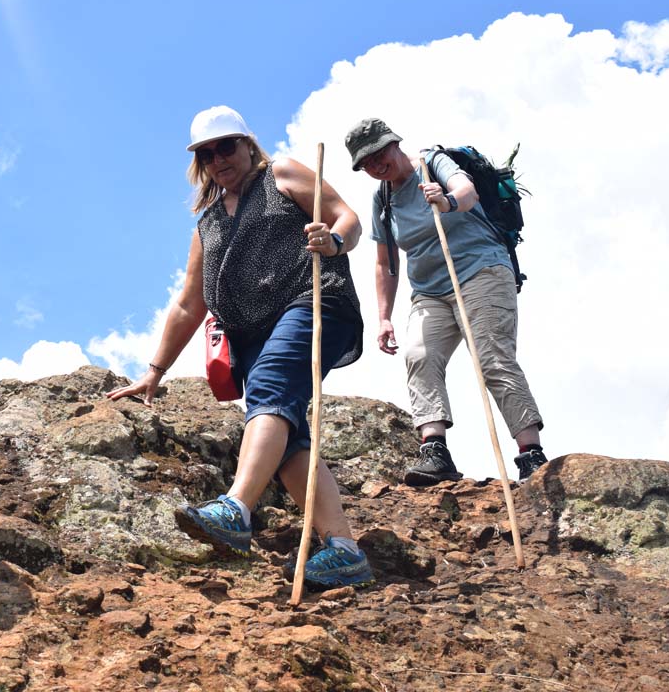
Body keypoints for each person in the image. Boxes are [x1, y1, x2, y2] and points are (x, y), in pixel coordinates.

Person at [108, 105, 373, 590]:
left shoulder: (284, 174)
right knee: (288, 437)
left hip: (313, 300)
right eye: (206, 154)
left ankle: (236, 509)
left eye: (226, 146)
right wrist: (155, 370)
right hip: (252, 335)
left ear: (248, 144)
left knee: (272, 387)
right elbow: (189, 304)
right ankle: (346, 550)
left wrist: (333, 241)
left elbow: (347, 217)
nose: (218, 158)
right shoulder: (207, 225)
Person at [347, 117, 548, 486]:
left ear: (394, 143)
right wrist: (384, 317)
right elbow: (384, 263)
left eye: (378, 155)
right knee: (419, 355)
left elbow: (466, 192)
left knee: (492, 358)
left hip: (481, 271)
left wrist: (448, 200)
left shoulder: (431, 163)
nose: (376, 166)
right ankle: (434, 449)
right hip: (429, 291)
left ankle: (530, 454)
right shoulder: (384, 199)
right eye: (366, 163)